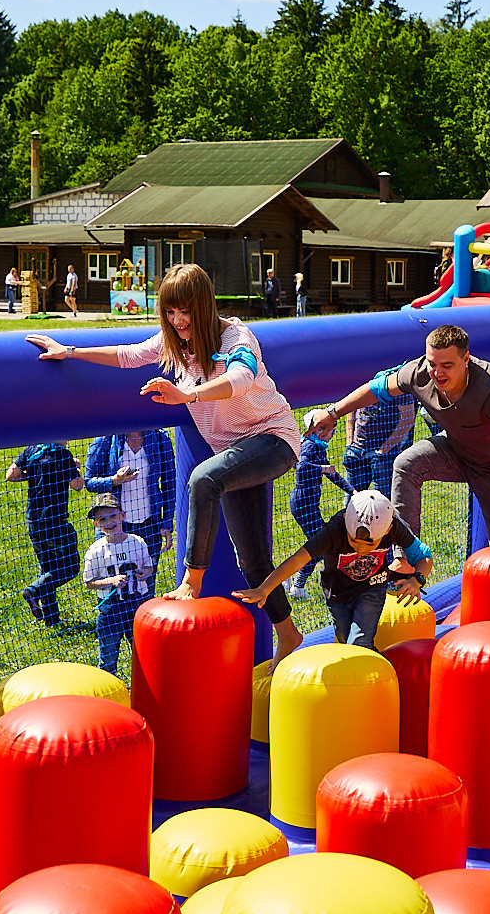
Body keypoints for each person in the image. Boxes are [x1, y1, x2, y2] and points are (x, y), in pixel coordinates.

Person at [26, 263, 308, 661]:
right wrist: (69, 351)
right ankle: (288, 633)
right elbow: (128, 355)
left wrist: (186, 396)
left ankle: (192, 580)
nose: (178, 321)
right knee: (252, 560)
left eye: (185, 311)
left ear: (204, 306)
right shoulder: (173, 341)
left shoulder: (235, 336)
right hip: (232, 452)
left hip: (273, 439)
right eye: (170, 312)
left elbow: (242, 378)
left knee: (202, 480)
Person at [306, 324, 490, 551]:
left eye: (447, 365)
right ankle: (407, 556)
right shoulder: (419, 372)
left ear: (466, 359)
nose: (438, 373)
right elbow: (376, 389)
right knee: (405, 464)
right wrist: (332, 413)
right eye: (433, 363)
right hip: (458, 450)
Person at [240, 489, 433, 651]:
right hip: (337, 594)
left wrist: (417, 579)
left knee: (359, 643)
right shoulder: (334, 531)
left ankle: (367, 686)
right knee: (344, 641)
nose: (360, 550)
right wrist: (264, 589)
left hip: (372, 589)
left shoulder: (395, 527)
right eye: (353, 541)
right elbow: (298, 560)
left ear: (387, 529)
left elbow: (423, 556)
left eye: (370, 545)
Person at [9, 442, 84, 626]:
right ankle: (33, 591)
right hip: (55, 521)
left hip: (33, 521)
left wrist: (33, 476)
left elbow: (11, 475)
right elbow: (78, 485)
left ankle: (52, 619)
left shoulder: (30, 450)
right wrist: (75, 468)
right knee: (70, 567)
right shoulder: (63, 454)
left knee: (48, 569)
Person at [81, 498, 154, 675]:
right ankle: (107, 694)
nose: (109, 522)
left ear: (122, 516)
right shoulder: (96, 550)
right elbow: (89, 582)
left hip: (137, 604)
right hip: (110, 609)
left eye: (113, 516)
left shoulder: (137, 542)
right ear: (96, 524)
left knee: (143, 654)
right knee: (108, 656)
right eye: (103, 520)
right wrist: (111, 581)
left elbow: (149, 566)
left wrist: (145, 573)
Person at [82, 430, 176, 569]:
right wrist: (114, 480)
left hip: (149, 526)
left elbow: (170, 482)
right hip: (114, 526)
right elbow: (89, 482)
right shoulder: (105, 438)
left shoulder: (160, 438)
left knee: (146, 584)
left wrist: (166, 522)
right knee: (114, 584)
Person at [285, 413, 356, 596]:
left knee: (319, 544)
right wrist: (322, 469)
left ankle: (291, 579)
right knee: (319, 545)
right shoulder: (308, 445)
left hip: (309, 505)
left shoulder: (318, 447)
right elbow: (300, 466)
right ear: (319, 428)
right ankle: (296, 585)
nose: (333, 433)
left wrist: (353, 491)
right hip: (302, 504)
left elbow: (332, 474)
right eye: (331, 429)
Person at [343, 380, 418, 497]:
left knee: (381, 504)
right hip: (356, 451)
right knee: (352, 505)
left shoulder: (397, 382)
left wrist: (384, 450)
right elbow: (352, 406)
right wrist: (350, 441)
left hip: (383, 456)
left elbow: (408, 419)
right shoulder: (360, 376)